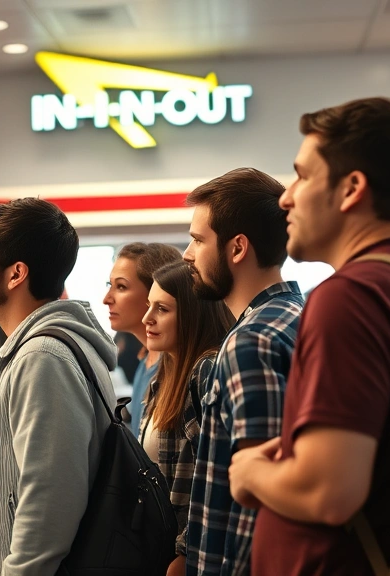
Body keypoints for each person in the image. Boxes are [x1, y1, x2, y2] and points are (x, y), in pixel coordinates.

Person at [231, 98, 390, 575]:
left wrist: (251, 472)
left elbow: (328, 492)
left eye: (303, 176)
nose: (286, 197)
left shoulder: (352, 298)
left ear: (352, 188)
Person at [0, 198, 118, 576]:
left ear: (16, 274)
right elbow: (0, 486)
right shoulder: (31, 352)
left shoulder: (42, 357)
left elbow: (48, 502)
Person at [182, 168, 305, 576]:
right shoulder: (297, 316)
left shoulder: (253, 340)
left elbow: (258, 502)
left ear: (237, 248)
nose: (186, 254)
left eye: (198, 240)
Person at [139, 261, 233, 576]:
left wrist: (184, 551)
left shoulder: (205, 371)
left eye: (162, 309)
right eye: (149, 306)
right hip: (159, 549)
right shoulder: (164, 374)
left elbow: (210, 479)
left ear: (193, 314)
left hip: (187, 557)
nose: (146, 318)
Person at [103, 243, 183, 433]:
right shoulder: (146, 361)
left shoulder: (177, 369)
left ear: (156, 291)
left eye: (121, 287)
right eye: (110, 285)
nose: (107, 299)